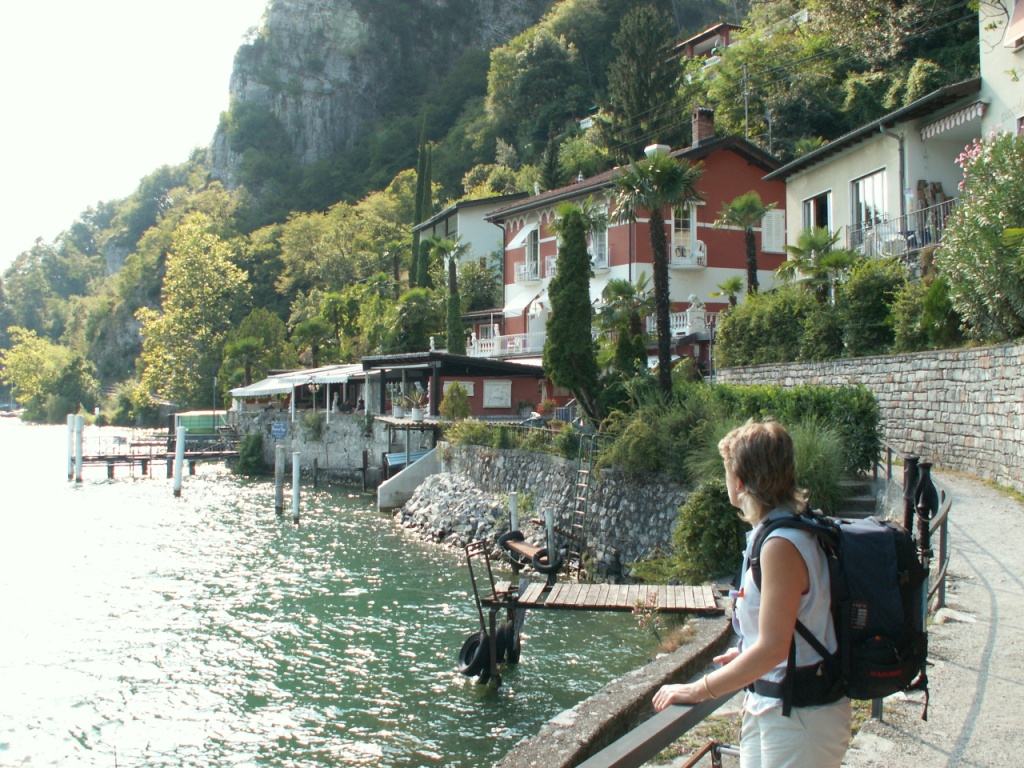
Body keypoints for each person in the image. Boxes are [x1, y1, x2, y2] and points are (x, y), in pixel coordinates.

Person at [652, 419, 850, 767]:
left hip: (799, 720)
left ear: (740, 481)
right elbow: (786, 631)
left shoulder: (780, 544)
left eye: (727, 471)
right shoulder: (782, 532)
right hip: (776, 708)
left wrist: (699, 689)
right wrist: (745, 655)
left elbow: (773, 649)